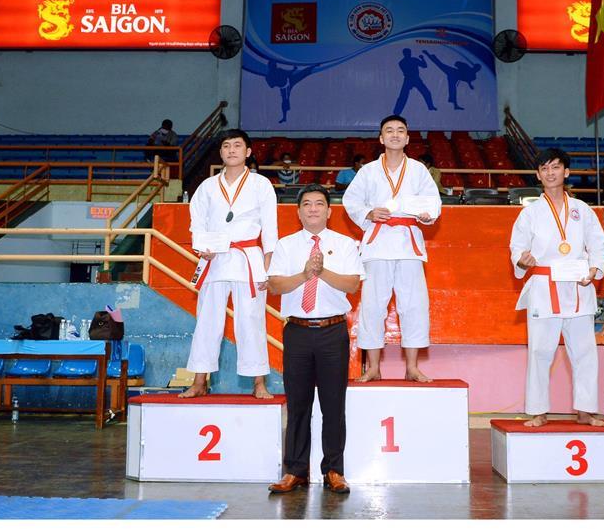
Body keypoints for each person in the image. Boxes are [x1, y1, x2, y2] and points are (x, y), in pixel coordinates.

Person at [266, 184, 363, 495]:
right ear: (298, 212)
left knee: (334, 404)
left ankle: (334, 470)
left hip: (333, 332)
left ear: (329, 210)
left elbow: (352, 284)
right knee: (298, 405)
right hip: (297, 331)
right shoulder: (285, 246)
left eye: (319, 204)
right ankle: (295, 471)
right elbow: (275, 286)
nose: (312, 209)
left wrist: (321, 272)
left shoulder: (345, 244)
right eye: (306, 204)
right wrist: (305, 274)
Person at [509, 148, 604, 428]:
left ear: (566, 172)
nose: (550, 173)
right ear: (538, 175)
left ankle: (586, 411)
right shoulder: (530, 213)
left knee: (585, 352)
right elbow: (517, 247)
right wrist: (522, 260)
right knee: (540, 352)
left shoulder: (582, 210)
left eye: (555, 167)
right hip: (544, 288)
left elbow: (598, 245)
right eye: (545, 168)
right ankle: (538, 411)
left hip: (578, 287)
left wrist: (595, 269)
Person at [343, 114, 441, 383]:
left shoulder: (419, 170)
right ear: (381, 138)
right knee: (373, 305)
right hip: (378, 244)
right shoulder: (368, 171)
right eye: (389, 130)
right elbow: (351, 201)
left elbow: (433, 202)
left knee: (414, 305)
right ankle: (373, 367)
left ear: (408, 138)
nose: (395, 134)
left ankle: (412, 367)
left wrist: (427, 216)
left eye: (400, 131)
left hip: (408, 244)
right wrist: (369, 212)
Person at [180, 128, 277, 399]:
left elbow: (270, 229)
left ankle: (259, 383)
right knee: (207, 321)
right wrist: (201, 247)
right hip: (215, 259)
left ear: (248, 152)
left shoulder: (261, 184)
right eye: (226, 146)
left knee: (251, 321)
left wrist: (268, 268)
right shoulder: (207, 187)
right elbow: (197, 223)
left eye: (237, 145)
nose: (231, 150)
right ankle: (199, 381)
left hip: (249, 259)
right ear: (221, 152)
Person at [393, 48, 437, 115]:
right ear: (404, 54)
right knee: (403, 96)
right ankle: (397, 112)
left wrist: (422, 58)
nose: (409, 54)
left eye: (409, 53)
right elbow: (424, 65)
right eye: (407, 53)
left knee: (426, 92)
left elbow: (425, 66)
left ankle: (430, 106)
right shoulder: (403, 62)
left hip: (415, 79)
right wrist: (422, 59)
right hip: (409, 79)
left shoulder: (406, 61)